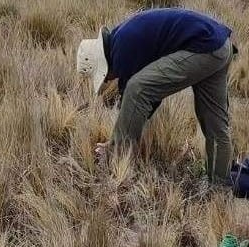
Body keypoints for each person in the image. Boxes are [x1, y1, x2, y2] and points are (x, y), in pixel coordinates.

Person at [76, 8, 236, 185]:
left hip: (204, 47)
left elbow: (137, 95)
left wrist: (114, 144)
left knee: (137, 88)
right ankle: (220, 186)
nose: (107, 80)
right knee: (215, 123)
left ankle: (118, 161)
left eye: (104, 76)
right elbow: (150, 99)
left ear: (104, 64)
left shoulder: (122, 49)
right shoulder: (120, 37)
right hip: (220, 45)